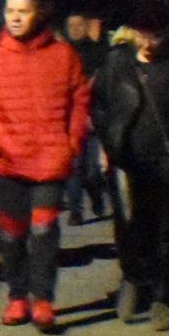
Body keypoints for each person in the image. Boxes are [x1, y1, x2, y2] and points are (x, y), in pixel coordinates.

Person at [0, 0, 91, 332]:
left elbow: (80, 101)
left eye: (23, 11)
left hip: (51, 160)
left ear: (39, 14)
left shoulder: (64, 55)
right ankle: (17, 296)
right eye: (10, 10)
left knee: (44, 230)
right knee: (12, 234)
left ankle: (43, 299)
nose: (15, 17)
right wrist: (0, 141)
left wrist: (71, 143)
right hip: (9, 162)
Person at [92, 3, 169, 330]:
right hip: (126, 159)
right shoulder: (117, 62)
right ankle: (132, 280)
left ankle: (160, 297)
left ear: (168, 33)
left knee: (164, 229)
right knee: (129, 228)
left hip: (167, 160)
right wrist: (107, 143)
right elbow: (99, 105)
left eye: (156, 35)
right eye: (143, 34)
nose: (148, 42)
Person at [64, 12, 111, 224]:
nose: (75, 29)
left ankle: (96, 193)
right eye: (71, 26)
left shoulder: (99, 52)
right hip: (70, 119)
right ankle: (76, 210)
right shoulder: (62, 53)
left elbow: (103, 83)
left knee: (93, 170)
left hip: (93, 117)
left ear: (86, 27)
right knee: (74, 167)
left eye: (79, 25)